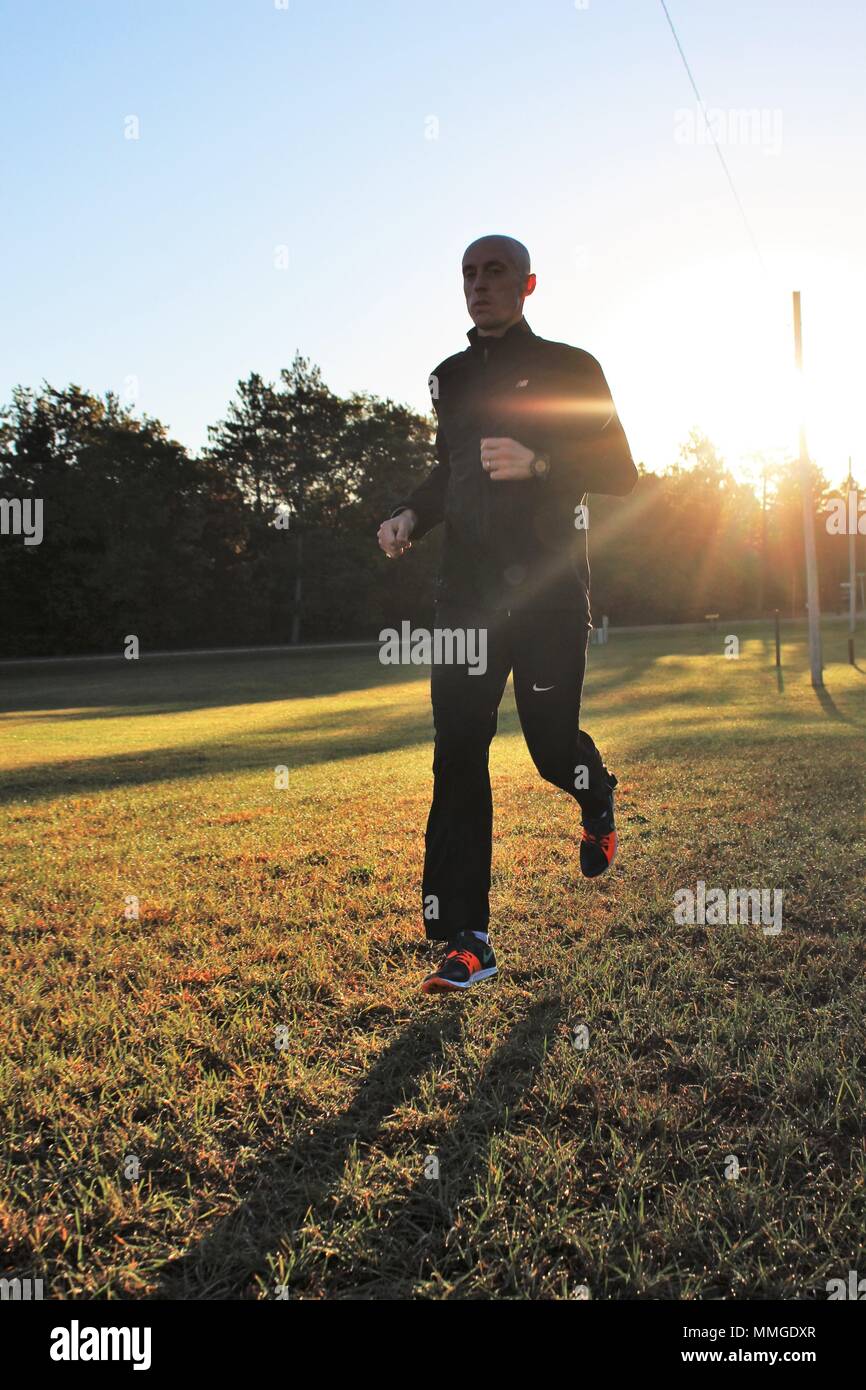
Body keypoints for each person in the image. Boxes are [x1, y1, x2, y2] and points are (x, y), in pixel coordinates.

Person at [377, 235, 637, 994]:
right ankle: (469, 937)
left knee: (551, 749)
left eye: (494, 272)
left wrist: (542, 463)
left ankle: (594, 794)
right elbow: (447, 472)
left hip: (550, 591)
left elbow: (620, 469)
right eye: (467, 273)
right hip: (465, 596)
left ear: (528, 285)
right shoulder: (450, 378)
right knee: (458, 751)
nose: (478, 284)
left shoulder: (572, 367)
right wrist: (408, 517)